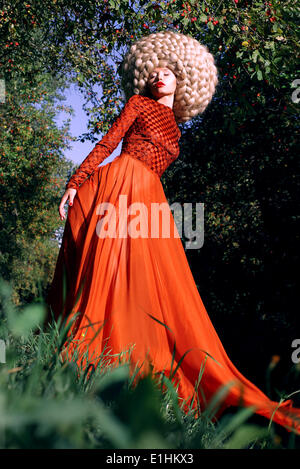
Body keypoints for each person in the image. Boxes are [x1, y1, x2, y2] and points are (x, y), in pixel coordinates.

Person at [46, 30, 300, 434]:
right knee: (109, 263)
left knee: (152, 278)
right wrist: (76, 181)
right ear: (146, 79)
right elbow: (110, 140)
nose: (160, 76)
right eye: (155, 72)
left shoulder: (178, 130)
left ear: (180, 82)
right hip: (120, 183)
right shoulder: (138, 104)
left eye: (168, 72)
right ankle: (96, 356)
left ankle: (139, 358)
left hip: (151, 197)